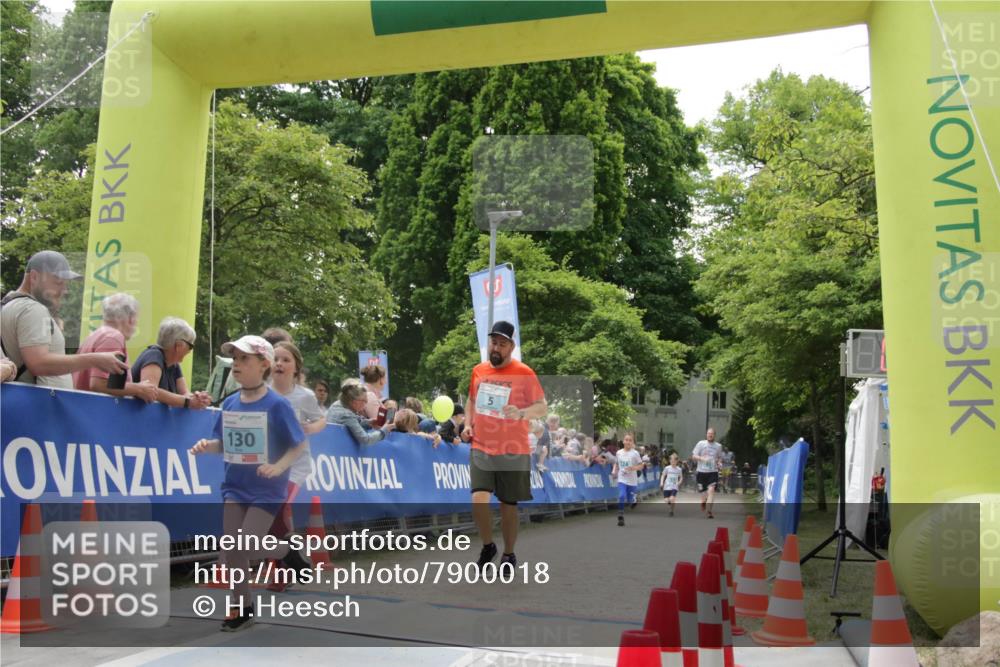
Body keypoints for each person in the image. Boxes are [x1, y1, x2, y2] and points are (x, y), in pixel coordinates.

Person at [189, 335, 312, 631]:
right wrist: (208, 445)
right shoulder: (230, 403)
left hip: (267, 489)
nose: (237, 364)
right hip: (235, 485)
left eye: (245, 358)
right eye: (235, 359)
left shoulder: (277, 405)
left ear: (264, 365)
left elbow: (298, 445)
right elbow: (225, 443)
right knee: (233, 549)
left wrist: (277, 466)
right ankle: (243, 608)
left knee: (250, 549)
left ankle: (286, 552)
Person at [462, 320, 546, 573]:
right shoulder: (479, 370)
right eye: (493, 342)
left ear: (511, 346)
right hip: (482, 445)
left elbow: (541, 407)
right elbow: (471, 400)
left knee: (508, 506)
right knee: (478, 498)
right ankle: (488, 545)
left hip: (513, 448)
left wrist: (520, 412)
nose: (495, 348)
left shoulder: (525, 373)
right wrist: (468, 424)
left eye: (501, 344)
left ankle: (508, 554)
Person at [1, 250, 128, 387]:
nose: (65, 290)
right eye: (58, 282)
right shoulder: (32, 309)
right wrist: (96, 359)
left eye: (66, 284)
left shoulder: (10, 304)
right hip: (39, 404)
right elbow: (38, 363)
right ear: (34, 277)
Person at [269, 342, 326, 534]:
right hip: (268, 463)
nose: (279, 364)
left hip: (296, 464)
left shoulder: (305, 396)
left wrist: (309, 427)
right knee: (268, 511)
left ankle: (282, 558)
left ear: (296, 368)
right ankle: (280, 558)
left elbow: (321, 420)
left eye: (286, 360)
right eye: (275, 359)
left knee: (281, 504)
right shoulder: (261, 392)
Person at [73, 293, 157, 403]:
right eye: (136, 318)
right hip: (96, 413)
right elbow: (98, 384)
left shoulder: (94, 336)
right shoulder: (113, 337)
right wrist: (139, 389)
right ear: (131, 318)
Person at [131, 317, 211, 409]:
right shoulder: (153, 355)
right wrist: (188, 402)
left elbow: (185, 393)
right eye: (191, 346)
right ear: (179, 345)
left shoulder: (174, 364)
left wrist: (198, 398)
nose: (190, 351)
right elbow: (151, 391)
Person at [327, 379, 394, 445]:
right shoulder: (346, 415)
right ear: (354, 401)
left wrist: (368, 422)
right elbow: (366, 439)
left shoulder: (337, 404)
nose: (367, 402)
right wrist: (384, 431)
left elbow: (351, 423)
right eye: (364, 400)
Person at [612, 433, 644, 527]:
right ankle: (620, 515)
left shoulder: (635, 453)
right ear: (623, 441)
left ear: (632, 442)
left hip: (632, 481)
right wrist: (614, 471)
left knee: (630, 501)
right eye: (626, 440)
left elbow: (641, 466)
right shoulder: (619, 453)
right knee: (621, 496)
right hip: (622, 479)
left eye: (630, 440)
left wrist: (633, 468)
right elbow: (616, 463)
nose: (628, 442)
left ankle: (634, 500)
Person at [691, 427, 723, 519]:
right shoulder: (701, 444)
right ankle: (703, 501)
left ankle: (709, 511)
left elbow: (720, 457)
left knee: (711, 490)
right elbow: (693, 456)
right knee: (704, 494)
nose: (710, 435)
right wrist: (701, 458)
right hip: (701, 472)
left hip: (713, 472)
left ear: (714, 435)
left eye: (712, 434)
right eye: (709, 433)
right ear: (706, 434)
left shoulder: (718, 446)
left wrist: (720, 463)